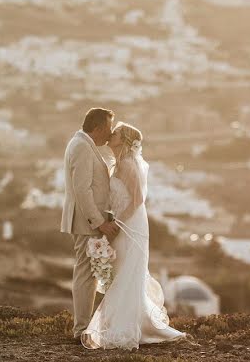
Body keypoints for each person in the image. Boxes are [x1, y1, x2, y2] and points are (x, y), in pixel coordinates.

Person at [80, 122, 186, 350]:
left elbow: (137, 200)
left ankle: (126, 327)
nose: (111, 134)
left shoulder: (128, 164)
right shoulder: (116, 163)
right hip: (119, 223)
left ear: (124, 140)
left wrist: (117, 222)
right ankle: (124, 323)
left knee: (128, 273)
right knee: (119, 272)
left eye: (115, 133)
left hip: (130, 224)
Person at [61, 107, 119, 341]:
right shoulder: (82, 147)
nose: (110, 133)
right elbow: (82, 191)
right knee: (87, 274)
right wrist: (99, 222)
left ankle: (88, 327)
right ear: (97, 128)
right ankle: (82, 330)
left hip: (89, 222)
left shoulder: (83, 144)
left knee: (94, 273)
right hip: (87, 224)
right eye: (108, 128)